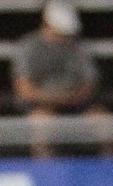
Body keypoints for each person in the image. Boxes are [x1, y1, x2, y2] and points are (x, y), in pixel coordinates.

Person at [13, 1, 99, 150]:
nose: (63, 37)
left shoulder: (77, 46)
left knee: (101, 119)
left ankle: (109, 164)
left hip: (76, 104)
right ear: (47, 24)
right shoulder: (29, 46)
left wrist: (72, 98)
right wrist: (54, 99)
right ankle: (44, 164)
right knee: (41, 122)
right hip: (39, 106)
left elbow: (89, 84)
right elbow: (24, 90)